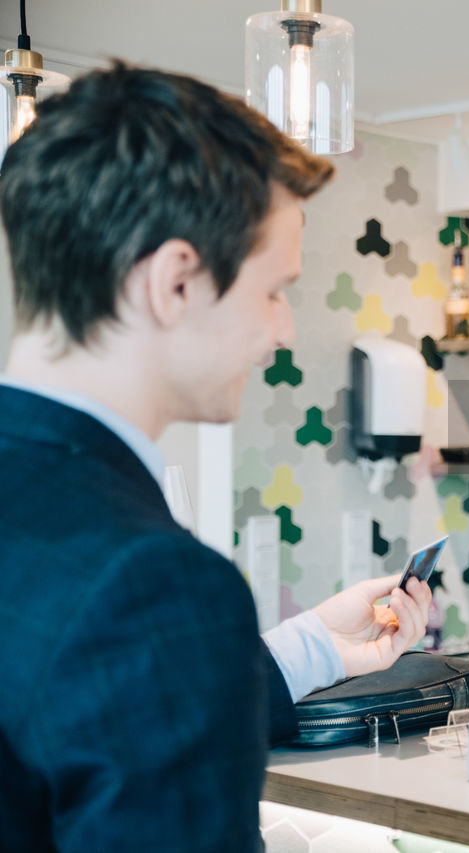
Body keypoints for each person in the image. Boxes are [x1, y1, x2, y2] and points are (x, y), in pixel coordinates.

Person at [0, 63, 433, 851]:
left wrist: (310, 649)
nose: (286, 329)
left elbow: (77, 701)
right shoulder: (153, 586)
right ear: (175, 283)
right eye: (274, 289)